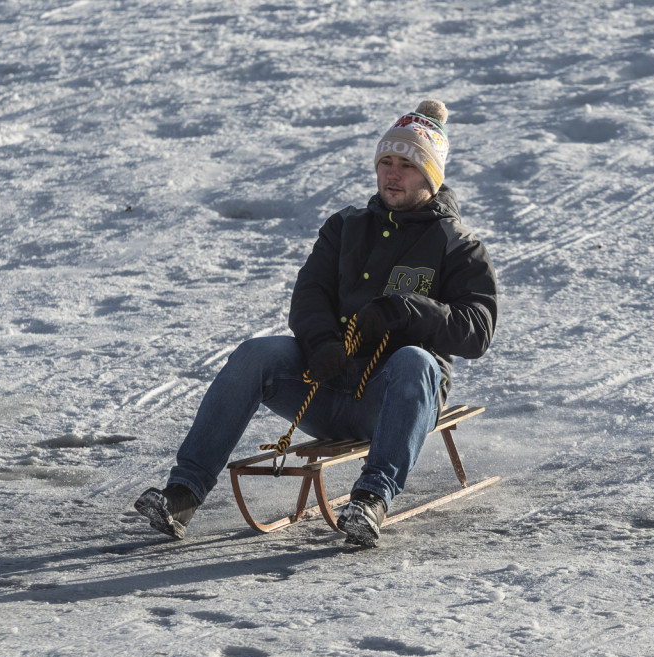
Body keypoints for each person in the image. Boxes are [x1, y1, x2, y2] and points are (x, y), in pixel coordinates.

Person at [134, 99, 498, 547]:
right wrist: (323, 341)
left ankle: (370, 500)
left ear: (430, 174)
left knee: (417, 363)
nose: (392, 173)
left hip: (392, 402)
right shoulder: (345, 227)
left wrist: (407, 310)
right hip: (326, 386)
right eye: (385, 161)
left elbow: (477, 330)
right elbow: (309, 297)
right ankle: (183, 494)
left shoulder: (457, 245)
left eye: (406, 164)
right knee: (255, 354)